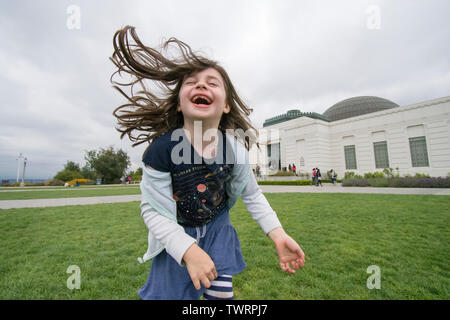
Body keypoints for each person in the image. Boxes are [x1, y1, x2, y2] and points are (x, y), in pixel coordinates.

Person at [110, 26, 305, 300]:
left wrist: (279, 234)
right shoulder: (161, 151)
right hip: (175, 236)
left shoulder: (235, 149)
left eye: (212, 82)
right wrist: (188, 250)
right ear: (179, 104)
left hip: (216, 229)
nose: (201, 85)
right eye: (190, 82)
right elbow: (152, 211)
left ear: (226, 105)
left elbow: (253, 194)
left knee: (221, 297)